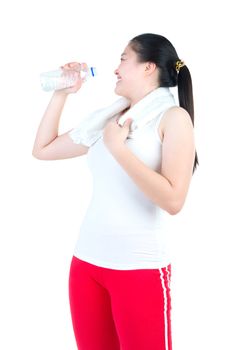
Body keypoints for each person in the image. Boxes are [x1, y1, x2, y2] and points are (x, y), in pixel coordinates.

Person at [32, 33, 198, 350]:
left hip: (139, 269)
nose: (116, 68)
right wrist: (61, 94)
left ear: (149, 66)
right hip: (86, 266)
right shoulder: (109, 119)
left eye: (123, 58)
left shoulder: (173, 118)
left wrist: (119, 150)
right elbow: (43, 149)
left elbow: (174, 200)